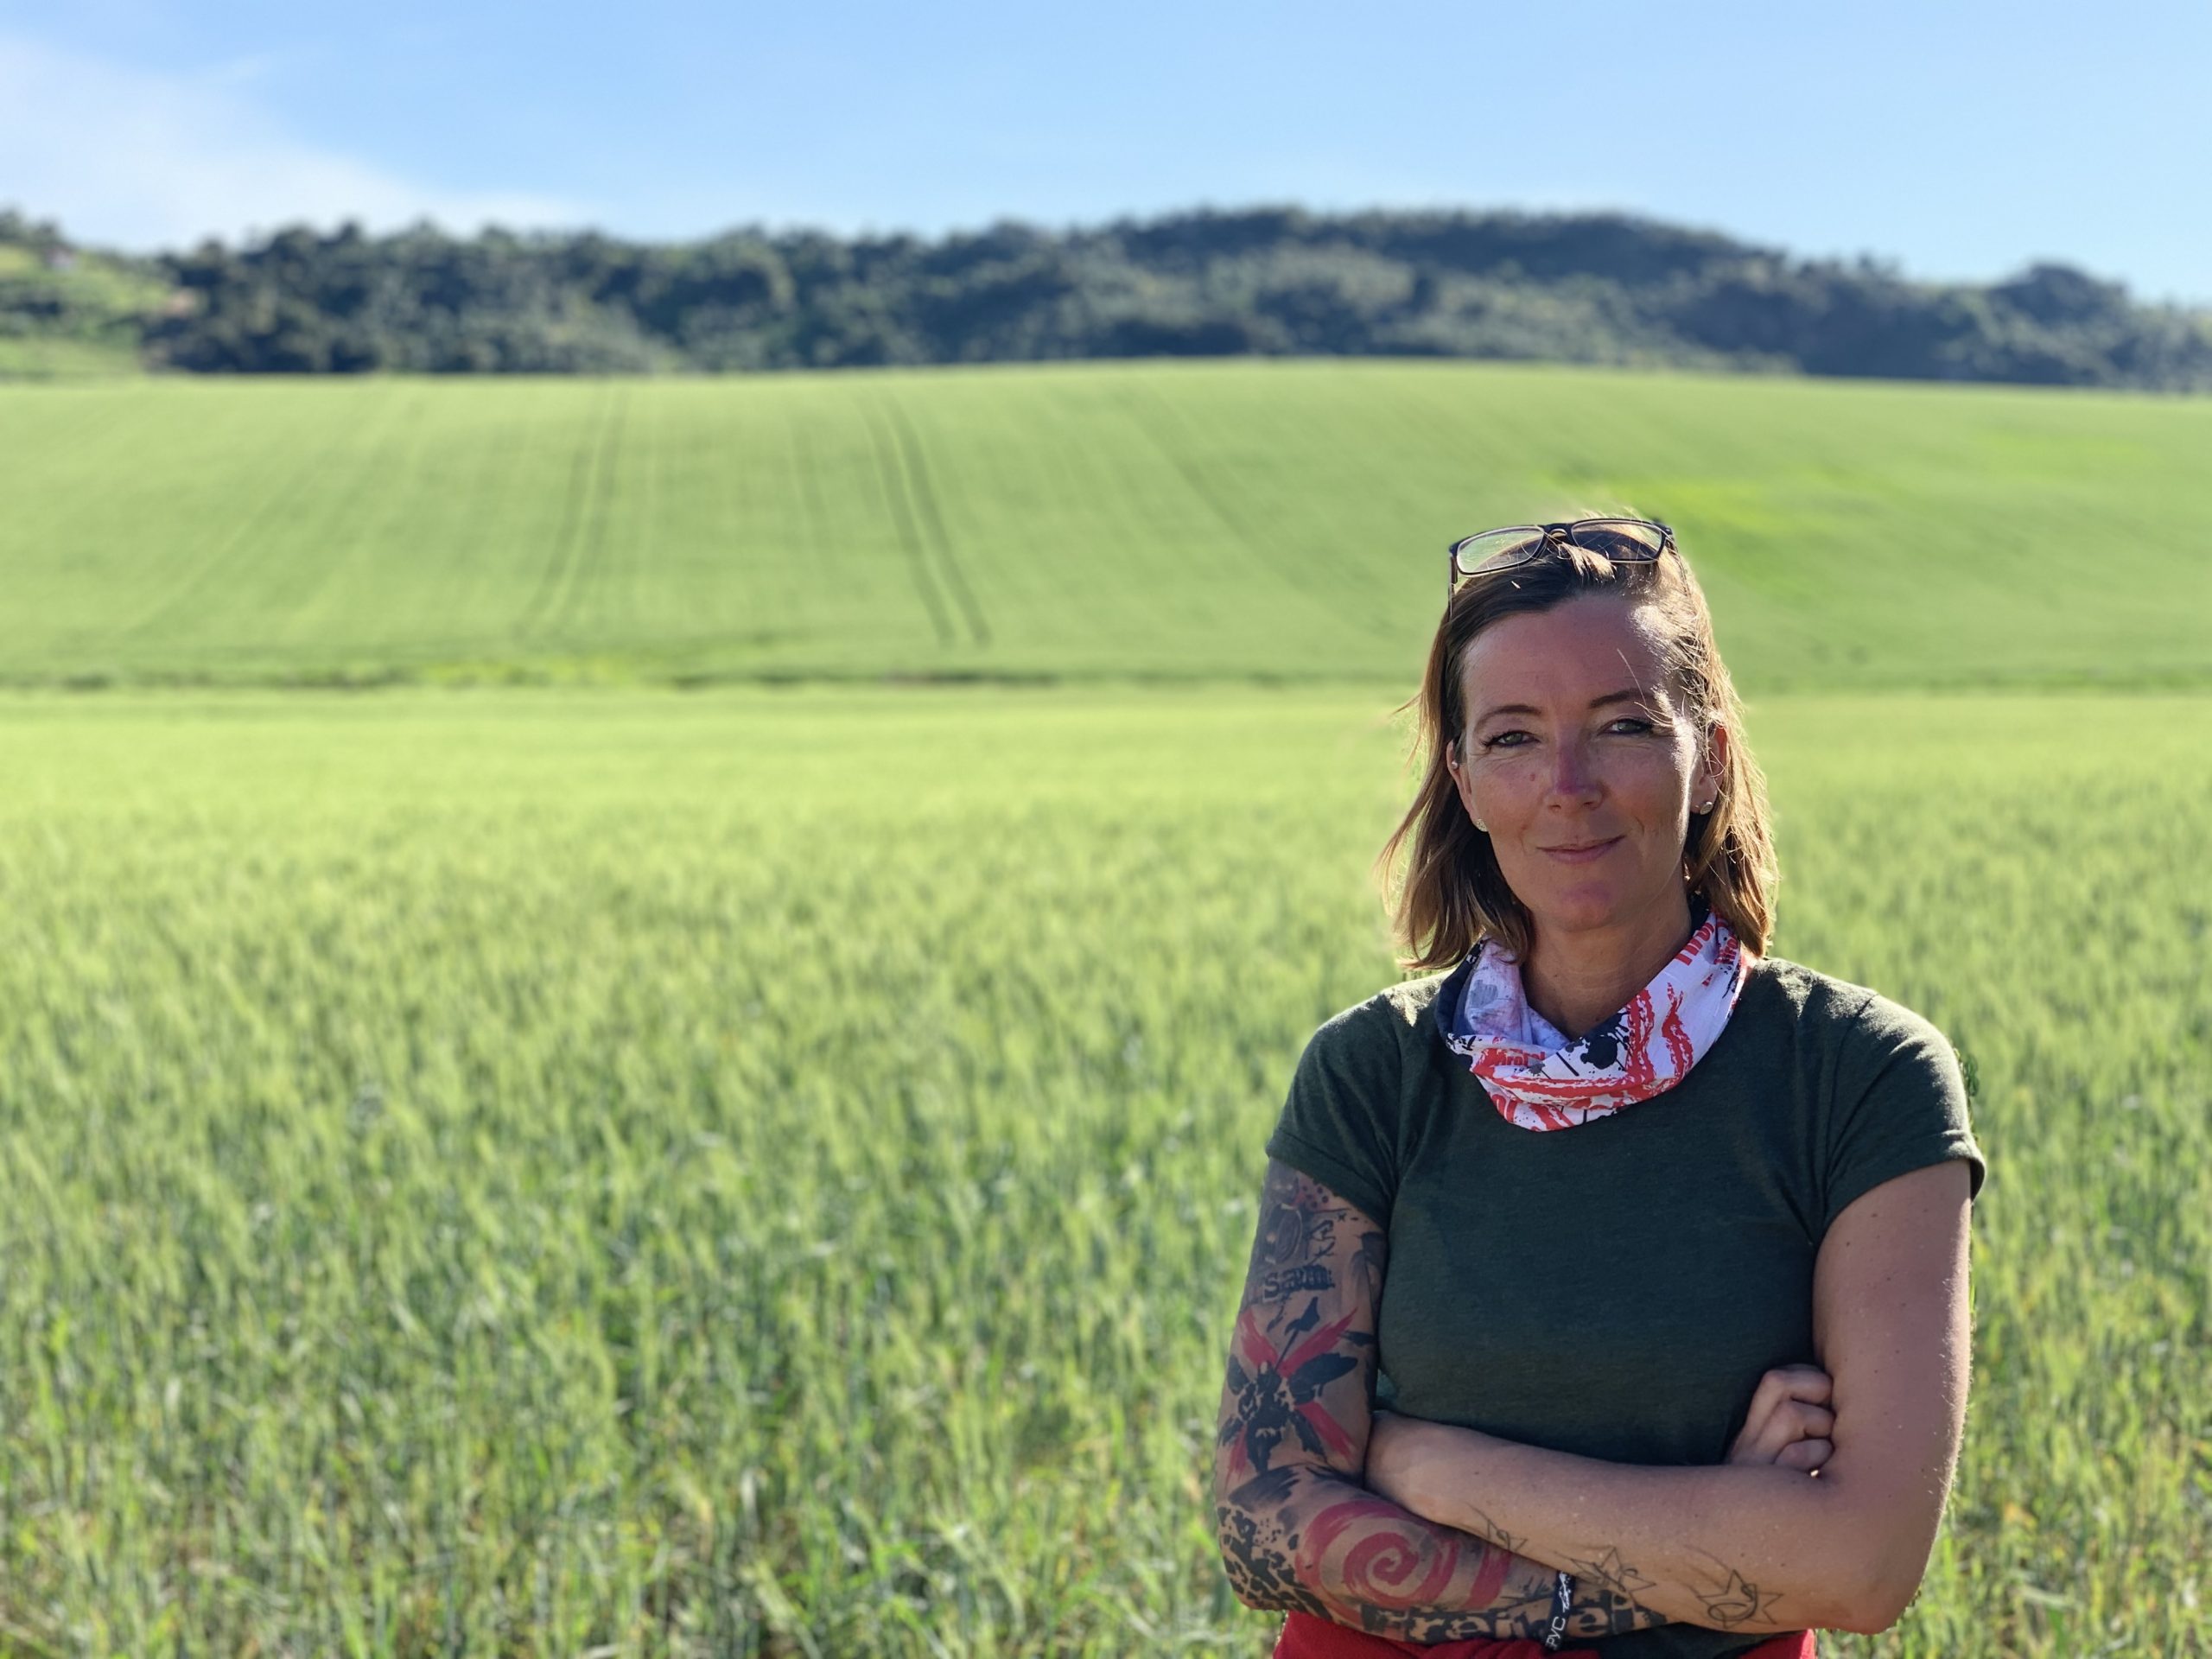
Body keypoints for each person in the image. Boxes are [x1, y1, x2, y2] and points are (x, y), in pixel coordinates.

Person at [1210, 518, 1985, 1659]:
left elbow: (1862, 1567)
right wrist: (1729, 1542)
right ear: (1466, 782)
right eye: (1515, 739)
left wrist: (1427, 1465)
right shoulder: (1374, 1074)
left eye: (1621, 726)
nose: (1566, 787)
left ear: (1707, 755)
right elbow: (1264, 1533)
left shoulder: (1864, 1079)